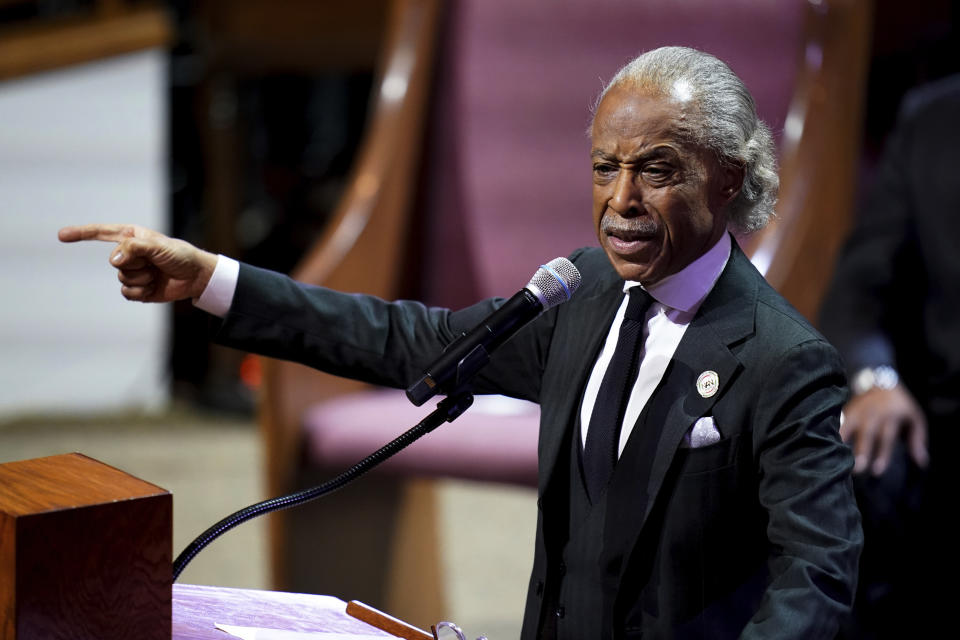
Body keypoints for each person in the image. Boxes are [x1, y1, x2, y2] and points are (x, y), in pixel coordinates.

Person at [60, 47, 861, 639]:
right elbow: (411, 341)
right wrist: (214, 280)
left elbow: (815, 580)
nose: (622, 200)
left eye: (656, 169)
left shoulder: (782, 360)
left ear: (727, 177)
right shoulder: (582, 295)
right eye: (604, 167)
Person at [818, 74, 960, 639]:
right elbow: (859, 289)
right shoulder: (933, 118)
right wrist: (876, 378)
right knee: (855, 463)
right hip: (941, 429)